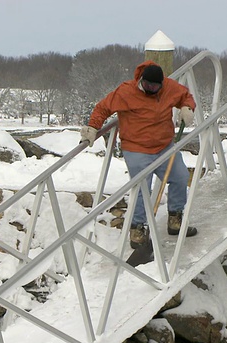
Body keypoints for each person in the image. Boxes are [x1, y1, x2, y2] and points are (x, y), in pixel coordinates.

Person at [80, 60, 198, 251]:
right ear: (141, 80)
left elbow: (185, 96)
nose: (151, 89)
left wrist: (187, 108)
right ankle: (138, 230)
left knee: (180, 176)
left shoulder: (169, 87)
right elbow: (103, 108)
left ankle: (175, 219)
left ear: (161, 84)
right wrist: (93, 128)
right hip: (136, 148)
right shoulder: (126, 91)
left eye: (155, 86)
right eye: (148, 85)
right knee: (142, 187)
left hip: (164, 145)